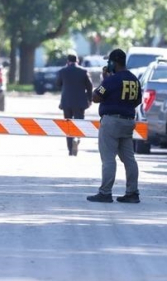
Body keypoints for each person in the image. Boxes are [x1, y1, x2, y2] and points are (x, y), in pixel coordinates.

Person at [87, 48, 142, 204]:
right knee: (129, 158)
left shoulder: (111, 80)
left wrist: (104, 79)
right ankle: (132, 192)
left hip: (112, 122)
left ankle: (105, 192)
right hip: (128, 121)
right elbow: (138, 100)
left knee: (108, 158)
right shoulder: (134, 79)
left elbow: (96, 97)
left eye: (109, 62)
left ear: (113, 63)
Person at [56, 54, 93, 156]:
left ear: (67, 61)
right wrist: (90, 99)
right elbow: (90, 87)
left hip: (66, 102)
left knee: (68, 124)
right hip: (80, 102)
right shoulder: (83, 71)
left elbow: (58, 84)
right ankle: (76, 139)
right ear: (77, 61)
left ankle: (70, 148)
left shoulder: (62, 71)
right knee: (79, 123)